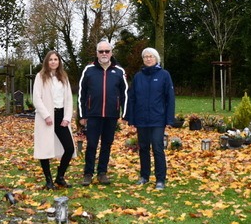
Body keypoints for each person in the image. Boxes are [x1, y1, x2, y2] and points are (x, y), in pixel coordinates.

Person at [78, 41, 128, 185]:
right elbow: (81, 93)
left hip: (111, 115)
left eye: (107, 51)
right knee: (92, 144)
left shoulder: (119, 71)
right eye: (101, 51)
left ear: (111, 53)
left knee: (107, 144)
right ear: (97, 53)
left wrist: (125, 114)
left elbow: (125, 93)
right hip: (93, 114)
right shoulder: (88, 69)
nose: (104, 54)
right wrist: (82, 115)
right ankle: (88, 173)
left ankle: (102, 173)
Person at [127, 47, 175, 190]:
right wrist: (131, 118)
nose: (148, 59)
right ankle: (144, 176)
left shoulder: (164, 75)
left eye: (151, 56)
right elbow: (132, 98)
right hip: (141, 119)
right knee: (143, 148)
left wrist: (169, 119)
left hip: (157, 119)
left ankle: (160, 179)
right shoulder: (138, 77)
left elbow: (170, 98)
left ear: (156, 59)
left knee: (157, 147)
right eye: (145, 57)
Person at [33, 50, 76, 190]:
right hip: (46, 117)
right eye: (50, 59)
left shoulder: (63, 77)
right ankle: (48, 180)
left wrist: (67, 117)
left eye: (55, 59)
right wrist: (46, 115)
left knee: (69, 148)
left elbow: (69, 98)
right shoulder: (40, 77)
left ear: (59, 62)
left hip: (61, 116)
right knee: (44, 149)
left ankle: (60, 177)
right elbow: (36, 98)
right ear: (47, 61)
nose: (53, 62)